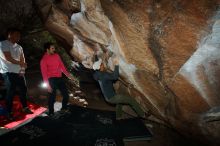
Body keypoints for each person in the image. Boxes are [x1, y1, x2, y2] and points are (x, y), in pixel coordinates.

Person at [0, 27, 33, 120]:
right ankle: (9, 112)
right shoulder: (3, 44)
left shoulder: (19, 47)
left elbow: (23, 59)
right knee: (11, 92)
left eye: (19, 35)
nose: (18, 37)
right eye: (16, 35)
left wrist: (22, 70)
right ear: (9, 34)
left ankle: (25, 108)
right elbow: (8, 58)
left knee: (23, 90)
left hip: (19, 72)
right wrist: (21, 63)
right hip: (8, 72)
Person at [40, 42, 75, 116]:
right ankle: (51, 112)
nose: (54, 49)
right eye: (52, 48)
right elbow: (44, 75)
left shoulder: (56, 56)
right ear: (47, 49)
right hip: (51, 80)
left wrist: (68, 75)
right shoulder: (43, 60)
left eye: (54, 48)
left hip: (59, 78)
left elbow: (62, 67)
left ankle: (64, 108)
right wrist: (48, 86)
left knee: (66, 95)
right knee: (52, 97)